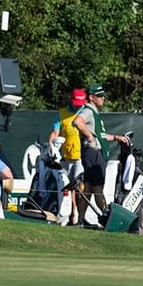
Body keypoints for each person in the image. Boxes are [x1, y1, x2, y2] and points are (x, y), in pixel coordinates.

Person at [72, 84, 132, 219]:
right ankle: (107, 218)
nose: (103, 98)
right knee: (98, 187)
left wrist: (117, 137)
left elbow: (101, 135)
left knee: (88, 188)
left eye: (103, 96)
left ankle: (80, 220)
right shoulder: (88, 111)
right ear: (91, 97)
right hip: (93, 153)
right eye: (99, 96)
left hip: (92, 153)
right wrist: (88, 135)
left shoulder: (95, 113)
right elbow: (77, 122)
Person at [56, 89, 86, 223]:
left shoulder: (85, 112)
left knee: (80, 187)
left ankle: (80, 214)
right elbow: (55, 131)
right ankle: (72, 213)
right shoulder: (62, 113)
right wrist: (52, 144)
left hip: (81, 157)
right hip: (67, 157)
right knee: (69, 187)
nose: (78, 106)